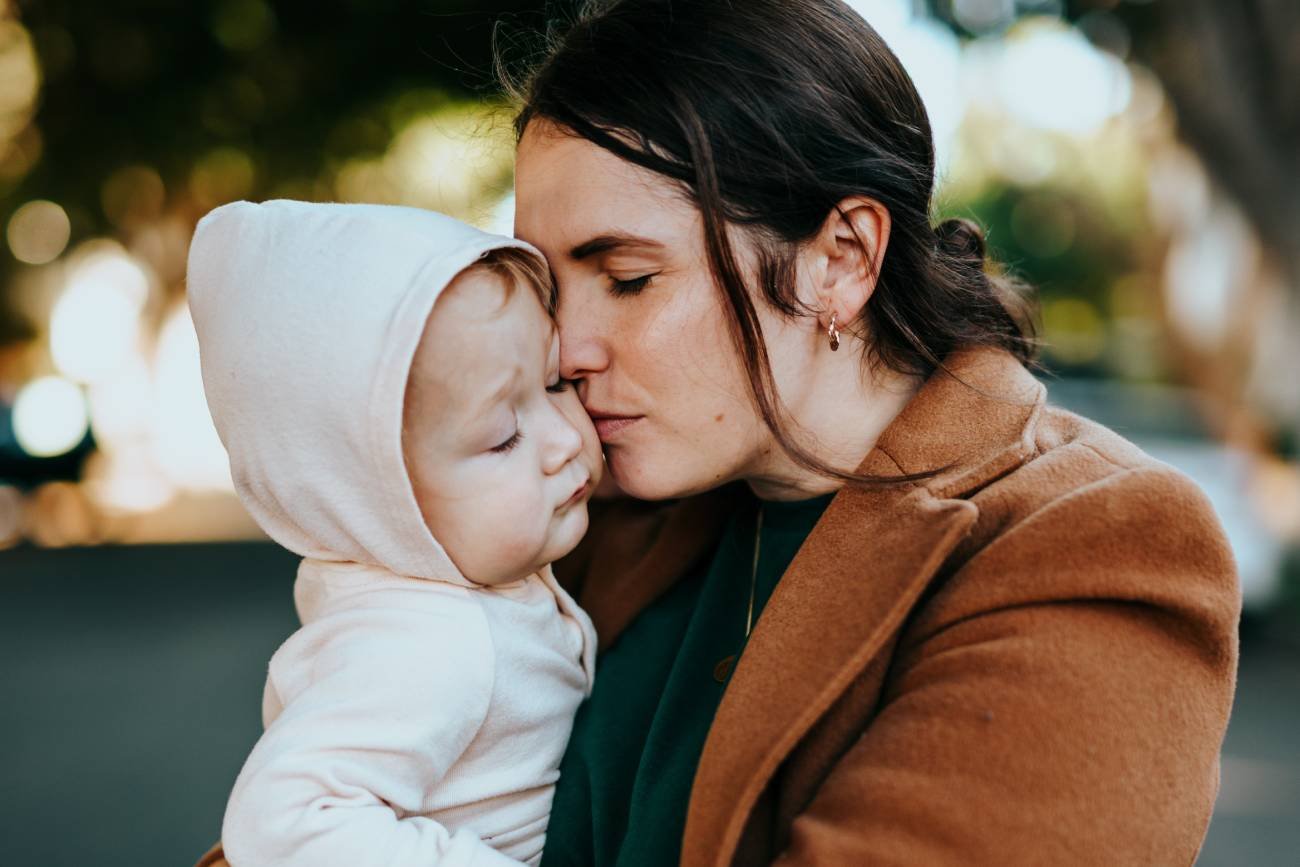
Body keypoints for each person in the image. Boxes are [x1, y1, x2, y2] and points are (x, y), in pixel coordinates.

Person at [502, 1, 1242, 865]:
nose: (563, 350)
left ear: (841, 260)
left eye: (628, 278)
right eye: (549, 288)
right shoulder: (588, 502)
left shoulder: (1095, 543)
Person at [186, 200, 602, 867]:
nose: (562, 438)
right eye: (503, 435)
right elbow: (284, 820)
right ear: (378, 498)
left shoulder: (475, 585)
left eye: (554, 383)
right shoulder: (429, 640)